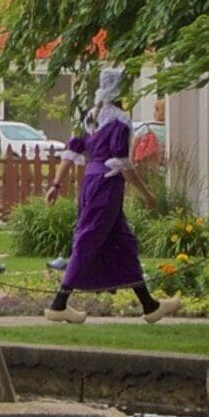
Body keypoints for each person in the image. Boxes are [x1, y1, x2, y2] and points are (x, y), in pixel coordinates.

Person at [46, 66, 163, 322]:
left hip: (91, 182)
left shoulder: (91, 116)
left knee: (123, 243)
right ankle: (59, 302)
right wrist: (146, 194)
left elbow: (71, 150)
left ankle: (149, 305)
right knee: (88, 239)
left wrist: (56, 185)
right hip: (107, 186)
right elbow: (122, 163)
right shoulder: (120, 120)